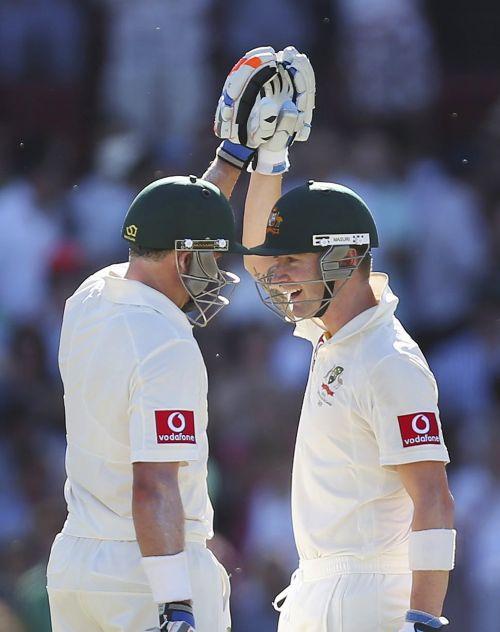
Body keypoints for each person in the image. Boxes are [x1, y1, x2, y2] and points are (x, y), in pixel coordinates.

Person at [215, 49, 456, 631]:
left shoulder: (388, 359)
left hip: (370, 597)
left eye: (296, 262)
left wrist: (422, 620)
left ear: (347, 257)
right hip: (322, 588)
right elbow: (256, 256)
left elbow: (435, 502)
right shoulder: (338, 336)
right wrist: (270, 159)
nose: (280, 278)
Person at [46, 163, 248, 630]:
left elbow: (175, 217)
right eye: (210, 257)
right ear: (182, 258)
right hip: (148, 574)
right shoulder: (165, 343)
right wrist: (175, 604)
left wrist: (230, 161)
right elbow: (154, 483)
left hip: (78, 564)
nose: (215, 272)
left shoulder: (89, 297)